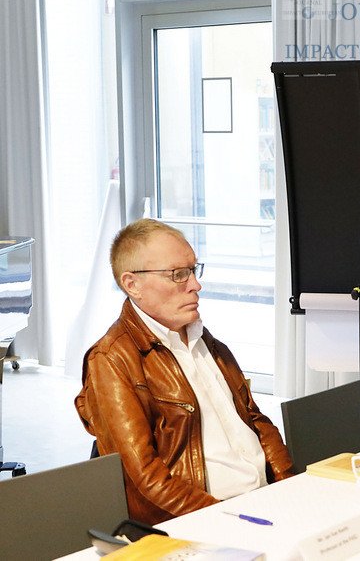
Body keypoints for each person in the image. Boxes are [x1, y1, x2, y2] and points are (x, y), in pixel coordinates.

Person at [76, 219, 293, 525]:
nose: (195, 285)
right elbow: (146, 475)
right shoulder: (111, 359)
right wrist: (224, 519)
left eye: (193, 269)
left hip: (262, 503)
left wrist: (290, 488)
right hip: (203, 520)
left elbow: (256, 423)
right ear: (132, 284)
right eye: (178, 274)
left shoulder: (205, 340)